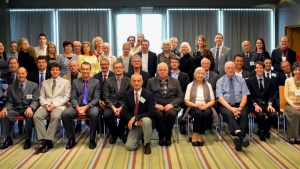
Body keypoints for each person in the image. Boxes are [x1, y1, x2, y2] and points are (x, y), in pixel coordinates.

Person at [33, 62, 71, 154]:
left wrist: (54, 104)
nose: (55, 71)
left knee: (56, 116)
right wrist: (46, 105)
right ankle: (46, 141)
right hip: (46, 104)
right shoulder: (45, 82)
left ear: (60, 71)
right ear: (50, 71)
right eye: (53, 70)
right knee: (36, 116)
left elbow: (66, 97)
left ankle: (44, 142)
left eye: (57, 70)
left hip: (59, 105)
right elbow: (41, 97)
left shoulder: (66, 82)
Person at [62, 62, 100, 149]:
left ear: (90, 70)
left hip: (90, 106)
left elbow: (96, 98)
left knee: (95, 113)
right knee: (65, 114)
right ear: (80, 70)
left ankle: (92, 139)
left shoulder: (96, 82)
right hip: (77, 106)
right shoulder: (75, 82)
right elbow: (73, 97)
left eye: (87, 69)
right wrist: (77, 107)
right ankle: (71, 138)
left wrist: (86, 107)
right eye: (83, 69)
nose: (85, 71)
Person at [0, 67, 39, 150]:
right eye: (18, 73)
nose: (20, 75)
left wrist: (30, 107)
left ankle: (28, 139)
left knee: (29, 116)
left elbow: (36, 100)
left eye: (22, 73)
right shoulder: (11, 87)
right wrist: (5, 108)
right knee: (4, 115)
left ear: (26, 74)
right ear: (16, 74)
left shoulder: (34, 85)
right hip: (16, 108)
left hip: (28, 108)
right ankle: (8, 138)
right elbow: (9, 101)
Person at [146, 62, 183, 146]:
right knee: (157, 114)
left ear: (168, 70)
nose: (162, 71)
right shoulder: (150, 81)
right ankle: (161, 136)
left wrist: (172, 104)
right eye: (160, 70)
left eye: (164, 70)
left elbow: (180, 96)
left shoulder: (175, 81)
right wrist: (155, 105)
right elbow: (147, 96)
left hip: (171, 106)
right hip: (156, 106)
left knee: (171, 114)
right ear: (157, 71)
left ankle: (168, 136)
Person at [216, 61, 250, 151]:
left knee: (243, 114)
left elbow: (245, 96)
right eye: (228, 68)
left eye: (232, 68)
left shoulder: (241, 80)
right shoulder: (220, 81)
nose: (230, 70)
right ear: (225, 70)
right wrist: (231, 109)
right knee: (229, 114)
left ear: (235, 69)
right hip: (226, 105)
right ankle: (241, 137)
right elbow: (220, 98)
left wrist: (240, 108)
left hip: (240, 104)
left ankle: (239, 139)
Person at [123, 73, 154, 154]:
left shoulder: (149, 94)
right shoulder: (127, 94)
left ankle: (147, 143)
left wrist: (136, 117)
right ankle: (141, 135)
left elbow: (151, 112)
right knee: (129, 147)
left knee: (146, 120)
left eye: (138, 81)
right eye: (134, 81)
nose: (136, 83)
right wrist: (136, 122)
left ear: (142, 82)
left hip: (145, 122)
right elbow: (125, 112)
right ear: (131, 82)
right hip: (135, 125)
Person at [184, 67, 215, 146]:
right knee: (199, 114)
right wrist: (196, 105)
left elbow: (212, 100)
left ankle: (200, 135)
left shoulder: (208, 85)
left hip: (206, 105)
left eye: (202, 74)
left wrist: (206, 106)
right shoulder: (190, 85)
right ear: (194, 75)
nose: (200, 75)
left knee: (207, 113)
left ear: (204, 75)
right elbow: (186, 101)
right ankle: (194, 134)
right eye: (198, 73)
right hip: (193, 105)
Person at [246, 61, 276, 142]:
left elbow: (270, 95)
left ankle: (265, 130)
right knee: (260, 115)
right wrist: (255, 105)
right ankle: (261, 131)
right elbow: (249, 96)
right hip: (254, 105)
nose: (259, 69)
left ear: (263, 69)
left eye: (261, 68)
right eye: (257, 68)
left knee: (273, 114)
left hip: (266, 104)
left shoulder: (269, 80)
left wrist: (270, 104)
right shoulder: (249, 81)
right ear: (255, 69)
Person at [103, 61, 132, 144]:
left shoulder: (128, 81)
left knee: (125, 115)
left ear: (123, 69)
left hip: (124, 105)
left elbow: (129, 97)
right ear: (113, 69)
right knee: (106, 116)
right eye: (116, 68)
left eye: (120, 67)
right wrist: (113, 107)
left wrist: (121, 108)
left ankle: (121, 132)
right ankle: (115, 133)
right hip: (111, 104)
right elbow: (106, 97)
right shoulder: (108, 81)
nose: (118, 69)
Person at [169, 57, 190, 134]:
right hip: (169, 98)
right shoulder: (166, 74)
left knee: (187, 105)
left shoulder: (184, 75)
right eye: (172, 62)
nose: (174, 64)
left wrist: (181, 98)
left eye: (176, 62)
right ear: (170, 64)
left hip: (181, 97)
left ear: (179, 64)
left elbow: (187, 89)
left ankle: (182, 123)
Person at [94, 58, 115, 133]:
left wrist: (106, 103)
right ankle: (101, 129)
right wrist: (99, 101)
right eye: (102, 64)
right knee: (96, 111)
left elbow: (114, 92)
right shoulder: (96, 76)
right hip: (99, 101)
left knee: (107, 114)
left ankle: (111, 130)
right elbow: (95, 91)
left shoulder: (114, 75)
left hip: (111, 101)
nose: (104, 66)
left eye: (105, 64)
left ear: (109, 65)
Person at [63, 60, 82, 133]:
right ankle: (71, 126)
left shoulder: (82, 75)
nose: (72, 67)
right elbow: (63, 91)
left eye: (74, 66)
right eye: (71, 66)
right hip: (68, 99)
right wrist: (67, 101)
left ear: (78, 67)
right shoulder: (65, 77)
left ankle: (79, 124)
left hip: (80, 99)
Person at [284, 62, 300, 144]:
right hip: (290, 104)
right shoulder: (288, 80)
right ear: (293, 71)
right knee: (296, 113)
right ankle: (292, 136)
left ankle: (298, 136)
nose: (297, 71)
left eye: (299, 70)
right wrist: (293, 105)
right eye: (295, 70)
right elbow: (286, 96)